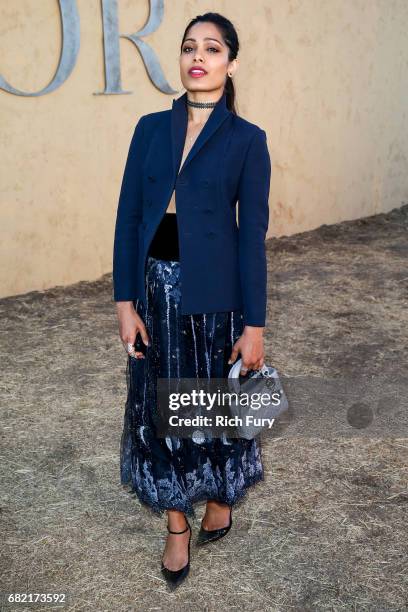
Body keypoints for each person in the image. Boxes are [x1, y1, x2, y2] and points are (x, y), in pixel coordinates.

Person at [112, 12, 271, 589]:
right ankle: (176, 525)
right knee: (162, 410)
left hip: (217, 299)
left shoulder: (248, 141)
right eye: (187, 47)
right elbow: (129, 219)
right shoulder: (150, 129)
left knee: (214, 409)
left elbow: (251, 237)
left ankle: (222, 494)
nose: (196, 57)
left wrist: (254, 324)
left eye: (211, 48)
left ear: (230, 62)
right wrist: (125, 302)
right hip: (155, 291)